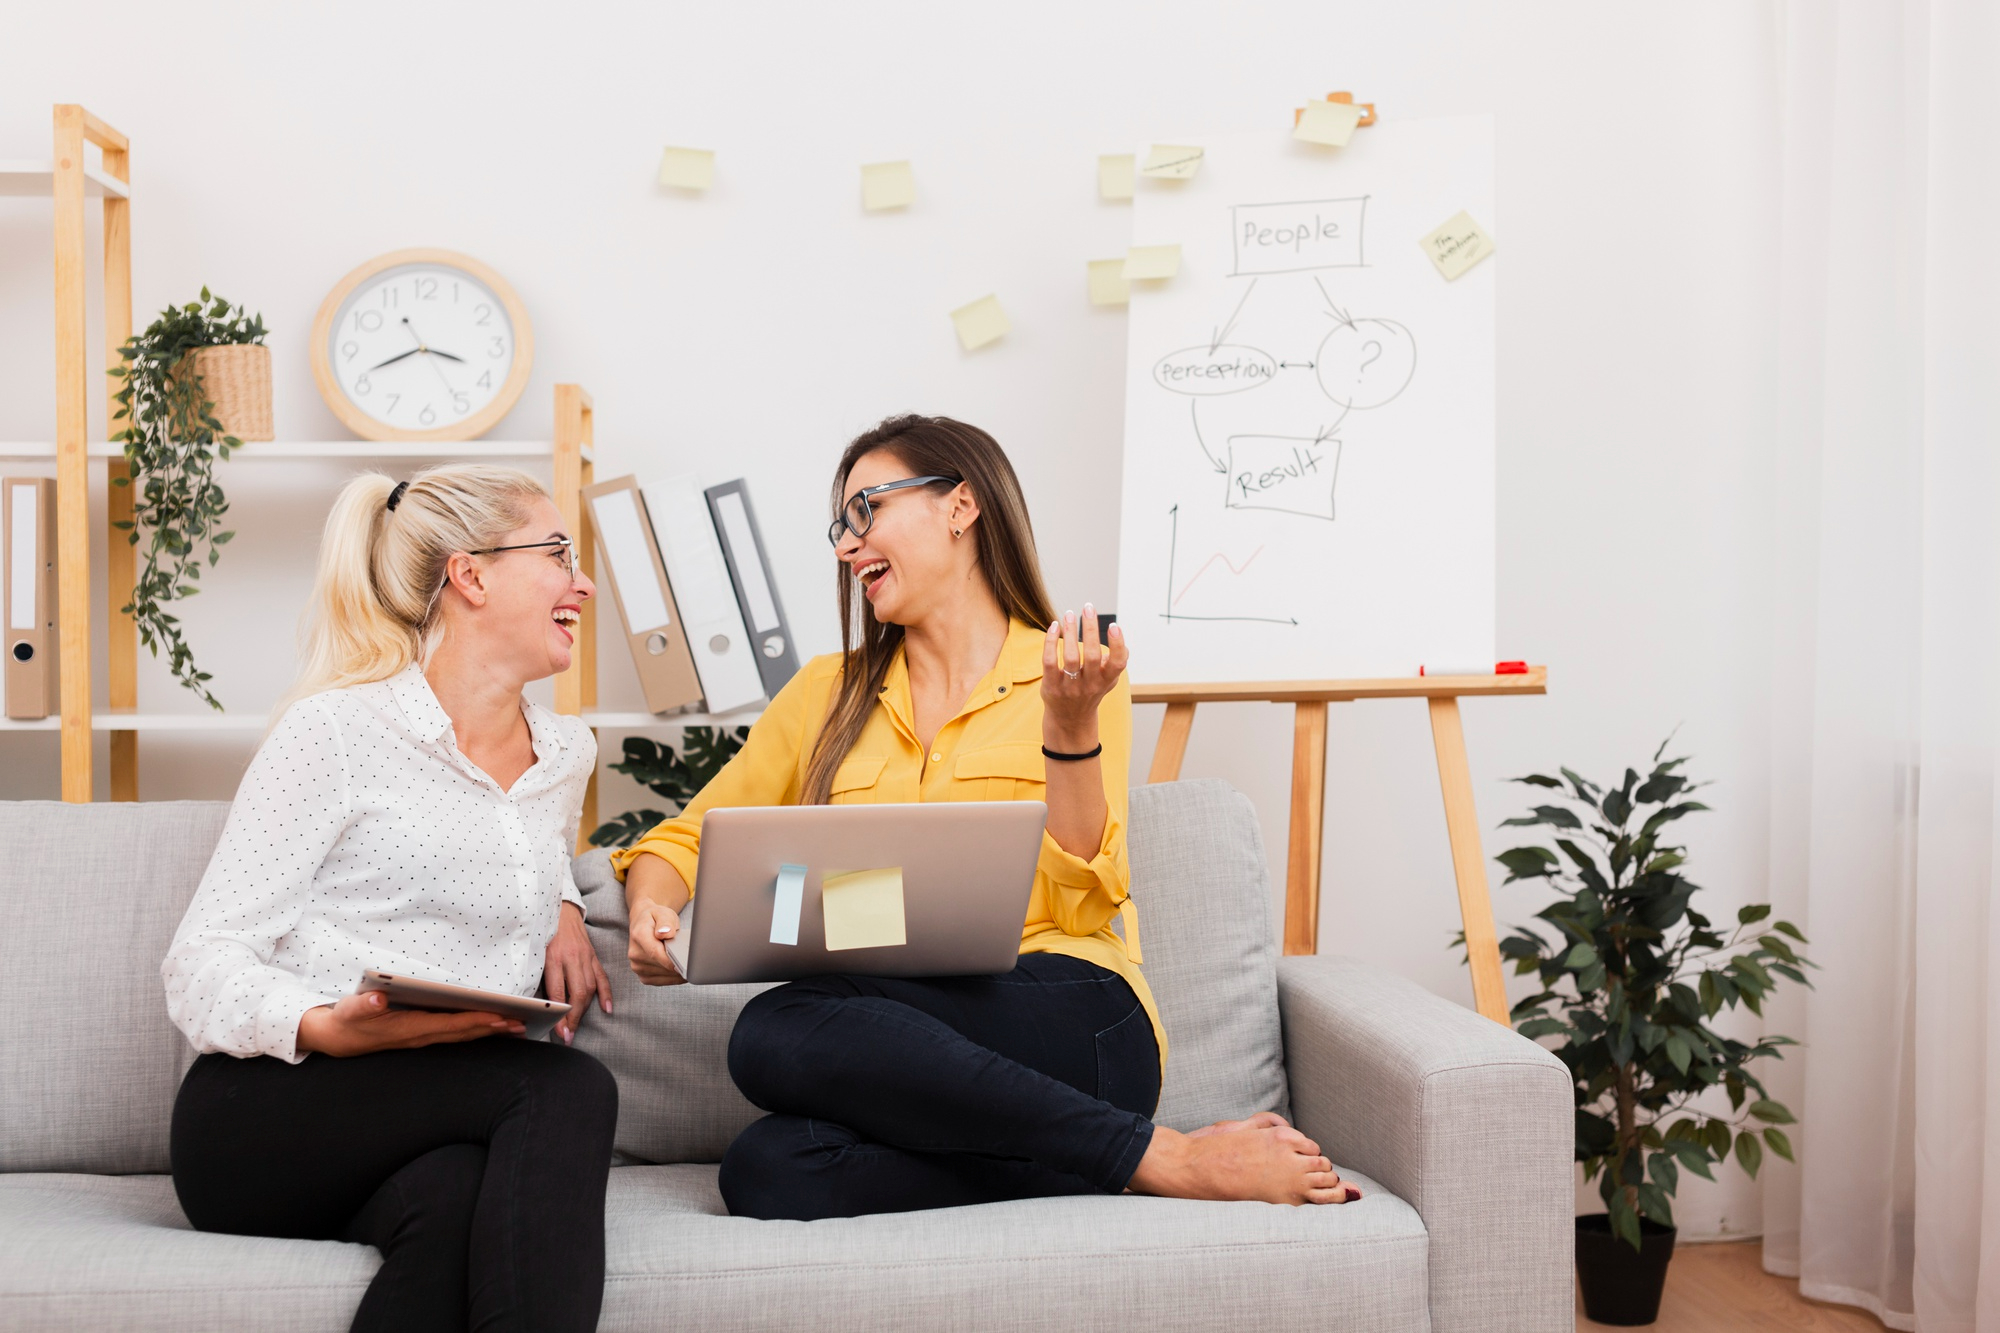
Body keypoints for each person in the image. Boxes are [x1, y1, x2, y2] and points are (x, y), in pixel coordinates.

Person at [616, 414, 1360, 1220]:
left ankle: (1167, 1154)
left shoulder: (1068, 671)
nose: (845, 545)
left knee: (775, 1027)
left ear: (961, 505)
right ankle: (1091, 1155)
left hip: (1075, 1011)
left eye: (866, 510)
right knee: (767, 1169)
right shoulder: (825, 693)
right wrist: (655, 898)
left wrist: (1070, 728)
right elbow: (686, 836)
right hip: (903, 1028)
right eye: (841, 525)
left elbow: (1085, 893)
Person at [162, 465, 619, 1333]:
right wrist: (327, 1022)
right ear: (471, 574)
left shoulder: (566, 752)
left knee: (453, 1201)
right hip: (271, 1110)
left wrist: (565, 901)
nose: (582, 579)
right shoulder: (336, 732)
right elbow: (200, 964)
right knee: (566, 1088)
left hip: (425, 1123)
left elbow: (511, 839)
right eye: (558, 552)